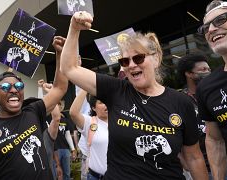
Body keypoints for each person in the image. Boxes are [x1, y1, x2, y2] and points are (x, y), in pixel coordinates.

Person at [60, 11, 208, 179]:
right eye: (125, 61)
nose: (130, 65)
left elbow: (194, 158)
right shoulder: (116, 90)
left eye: (138, 58)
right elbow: (69, 69)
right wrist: (74, 29)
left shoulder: (181, 102)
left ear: (156, 59)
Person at [0, 36, 68, 180]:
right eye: (6, 87)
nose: (14, 90)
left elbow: (59, 88)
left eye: (19, 86)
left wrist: (60, 53)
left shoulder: (33, 111)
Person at [196, 1, 227, 179]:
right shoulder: (207, 87)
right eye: (205, 27)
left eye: (220, 20)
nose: (211, 29)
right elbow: (215, 140)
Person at [177, 54, 211, 179]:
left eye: (208, 69)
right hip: (200, 167)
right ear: (189, 74)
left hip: (226, 159)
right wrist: (185, 163)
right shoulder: (178, 101)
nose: (207, 72)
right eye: (203, 70)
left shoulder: (216, 94)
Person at [69, 89, 108, 180]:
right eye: (101, 102)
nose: (106, 105)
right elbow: (73, 113)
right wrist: (85, 87)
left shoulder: (120, 122)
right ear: (93, 108)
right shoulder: (89, 122)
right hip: (95, 176)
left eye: (107, 101)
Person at [52, 100, 77, 180]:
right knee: (57, 174)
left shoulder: (65, 119)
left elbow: (67, 134)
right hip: (55, 150)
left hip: (65, 149)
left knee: (67, 173)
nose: (60, 106)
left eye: (61, 105)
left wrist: (73, 149)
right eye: (58, 104)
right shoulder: (49, 118)